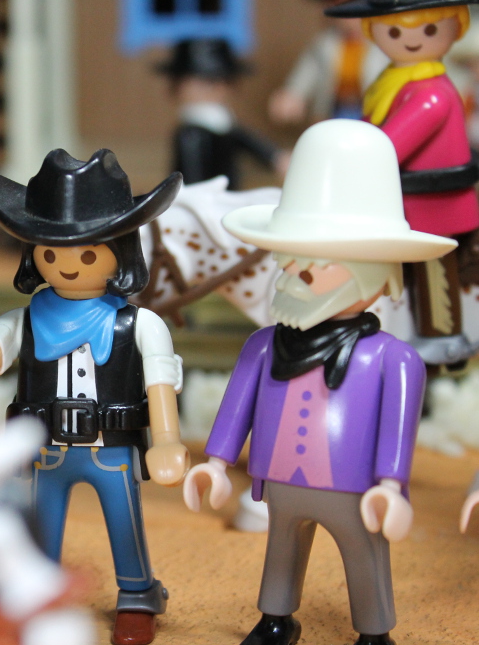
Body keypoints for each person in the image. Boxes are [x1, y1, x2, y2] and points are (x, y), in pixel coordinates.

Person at [184, 119, 457, 645]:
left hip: (353, 485)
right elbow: (237, 408)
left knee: (363, 553)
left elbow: (398, 429)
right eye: (287, 267)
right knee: (281, 548)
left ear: (373, 274)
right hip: (280, 479)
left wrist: (391, 486)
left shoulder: (394, 359)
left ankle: (373, 633)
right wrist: (215, 464)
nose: (290, 281)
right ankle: (275, 619)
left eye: (309, 272)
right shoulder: (263, 344)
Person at [0, 149, 188, 645]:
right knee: (41, 528)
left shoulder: (140, 324)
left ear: (120, 251)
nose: (68, 266)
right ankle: (37, 594)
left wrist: (165, 440)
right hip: (46, 448)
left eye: (88, 254)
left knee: (124, 522)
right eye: (50, 253)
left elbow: (159, 383)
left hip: (110, 447)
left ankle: (137, 594)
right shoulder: (27, 318)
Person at [327, 0, 479, 364]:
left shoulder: (432, 92)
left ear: (456, 26)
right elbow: (370, 127)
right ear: (373, 30)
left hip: (436, 204)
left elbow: (388, 145)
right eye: (394, 31)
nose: (411, 40)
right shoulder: (391, 82)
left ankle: (444, 335)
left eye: (429, 29)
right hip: (402, 198)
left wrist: (349, 161)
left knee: (432, 264)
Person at [158, 39, 288, 190]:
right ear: (179, 86)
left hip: (226, 193)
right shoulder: (191, 134)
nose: (215, 88)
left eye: (221, 80)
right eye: (206, 82)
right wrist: (195, 194)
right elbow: (192, 174)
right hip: (203, 197)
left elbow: (246, 140)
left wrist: (274, 157)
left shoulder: (224, 125)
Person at [269, 0, 388, 123]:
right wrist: (292, 95)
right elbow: (306, 74)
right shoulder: (324, 45)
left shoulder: (382, 44)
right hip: (332, 111)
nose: (350, 19)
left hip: (369, 111)